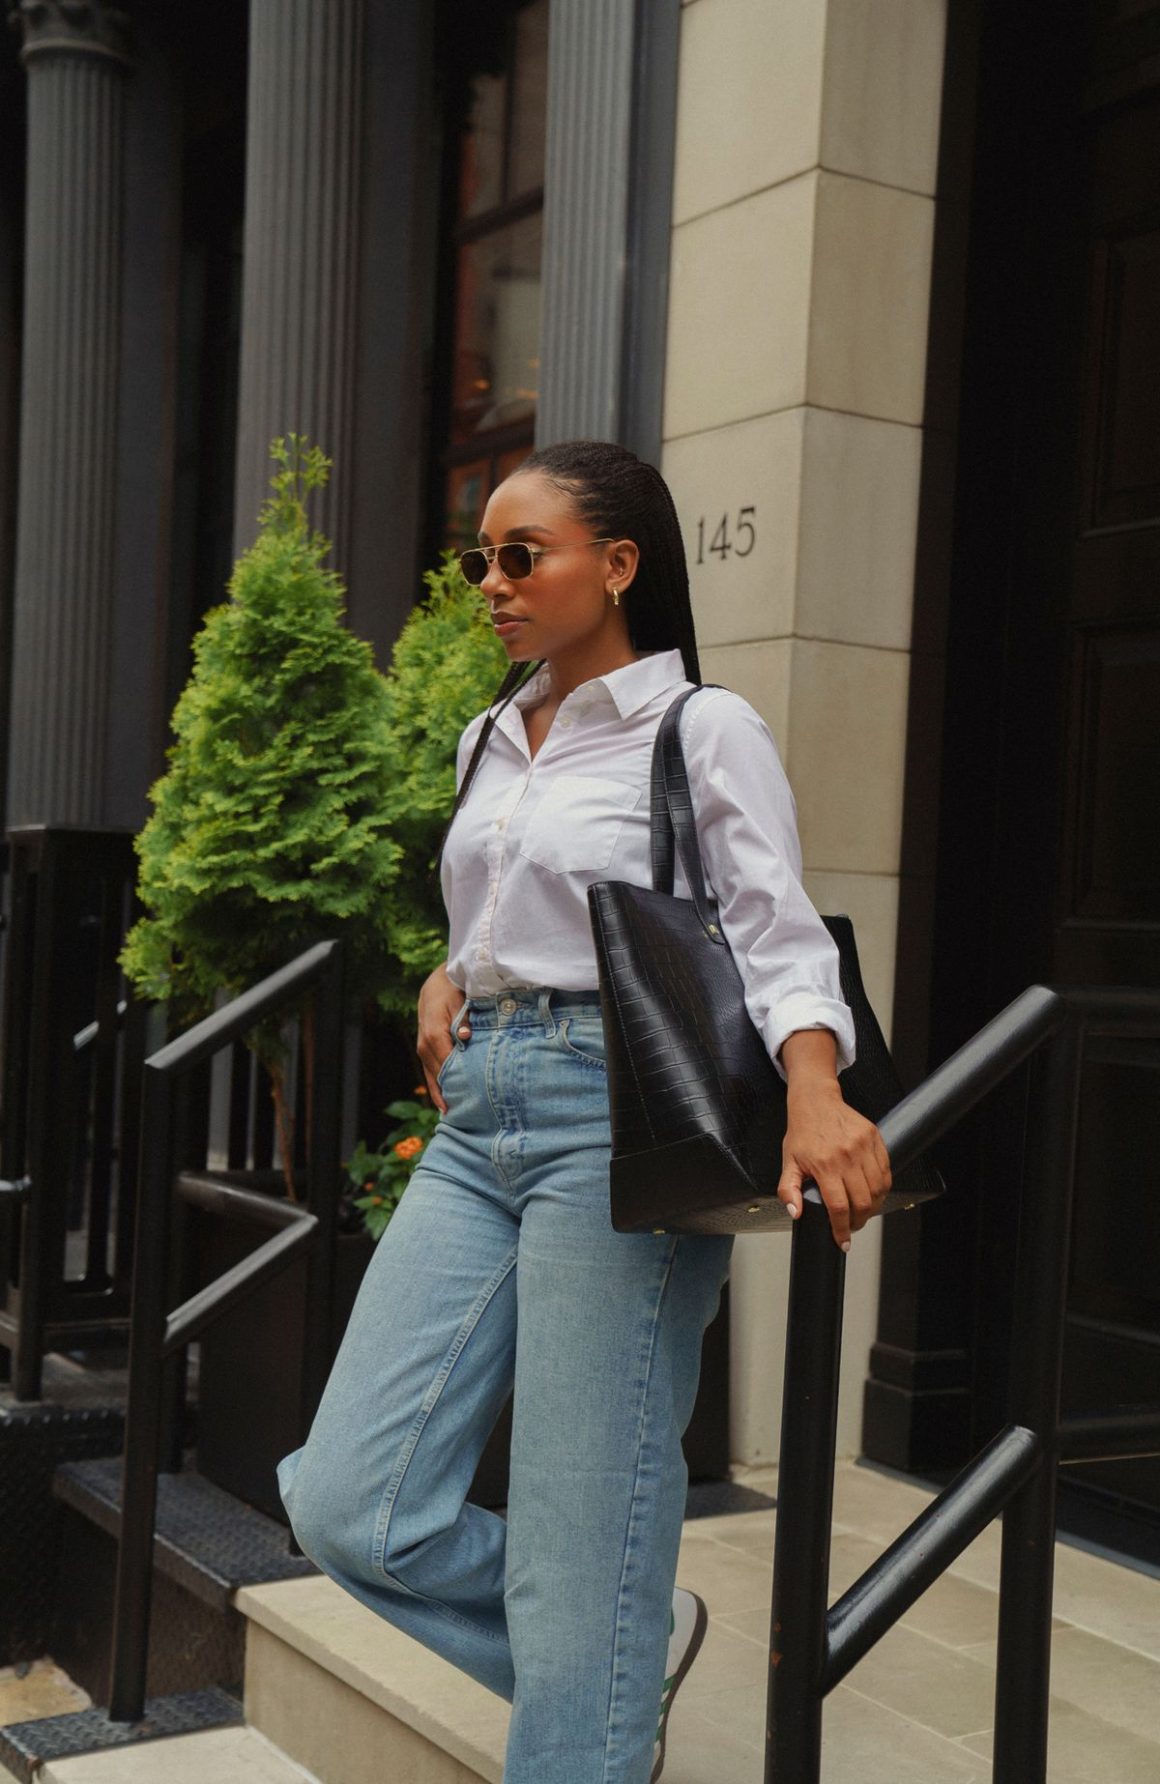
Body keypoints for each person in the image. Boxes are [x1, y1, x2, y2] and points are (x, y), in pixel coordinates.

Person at [277, 439, 891, 1783]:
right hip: (480, 1114)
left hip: (621, 1118)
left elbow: (775, 931)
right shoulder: (487, 733)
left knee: (574, 1535)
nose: (489, 583)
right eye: (477, 559)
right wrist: (455, 968)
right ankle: (631, 1634)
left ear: (616, 565)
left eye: (519, 555)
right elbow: (518, 908)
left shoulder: (699, 727)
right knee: (347, 1507)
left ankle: (593, 1673)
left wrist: (816, 1090)